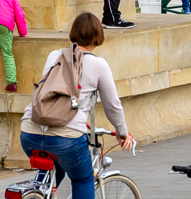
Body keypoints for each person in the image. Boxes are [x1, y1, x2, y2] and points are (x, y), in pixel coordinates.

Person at [20, 13, 134, 199]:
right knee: (82, 178)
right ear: (98, 36)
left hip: (29, 132)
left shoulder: (54, 55)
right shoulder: (99, 64)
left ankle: (38, 192)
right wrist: (122, 132)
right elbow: (112, 105)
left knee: (57, 166)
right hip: (66, 138)